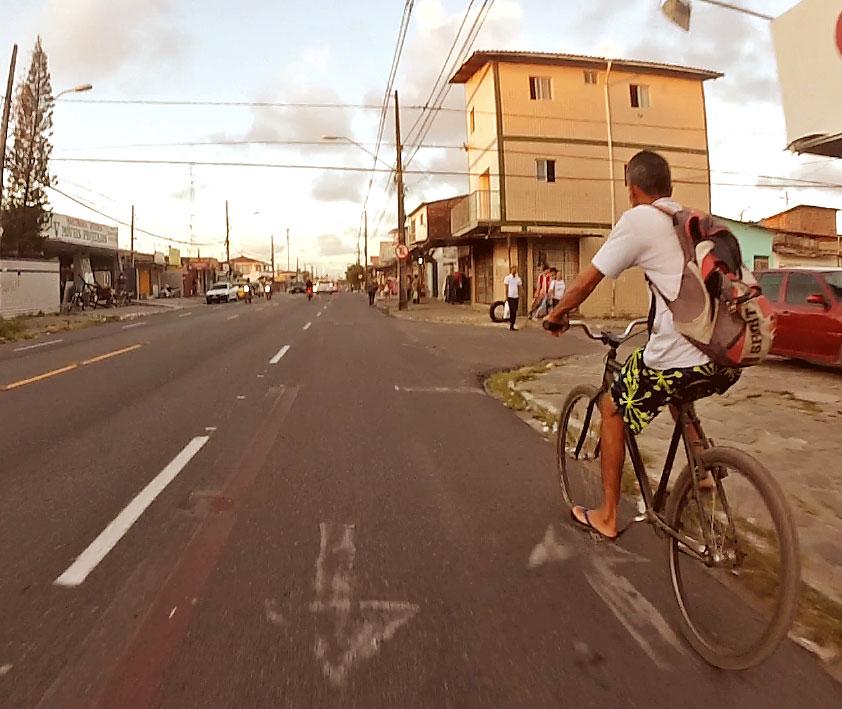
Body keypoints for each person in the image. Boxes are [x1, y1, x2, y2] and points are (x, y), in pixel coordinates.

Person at [544, 150, 741, 540]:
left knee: (613, 406)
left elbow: (589, 278)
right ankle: (702, 469)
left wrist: (558, 312)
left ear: (633, 190)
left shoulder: (639, 220)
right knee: (675, 388)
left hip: (681, 354)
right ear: (668, 188)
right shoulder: (688, 222)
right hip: (727, 354)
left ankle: (608, 515)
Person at [503, 265, 522, 331]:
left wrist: (519, 295)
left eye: (515, 269)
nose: (514, 270)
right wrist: (506, 297)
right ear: (511, 270)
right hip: (510, 297)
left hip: (516, 297)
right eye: (513, 269)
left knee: (515, 311)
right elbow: (506, 288)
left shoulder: (518, 278)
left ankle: (512, 324)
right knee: (512, 310)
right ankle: (511, 324)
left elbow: (519, 287)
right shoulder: (507, 278)